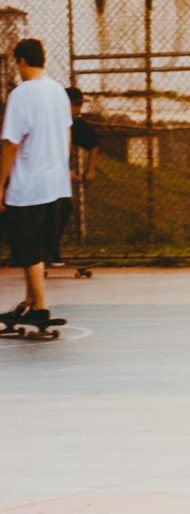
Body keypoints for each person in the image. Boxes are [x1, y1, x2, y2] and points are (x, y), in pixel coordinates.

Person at [0, 37, 71, 333]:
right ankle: (30, 300)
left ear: (22, 61)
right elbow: (67, 133)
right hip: (56, 183)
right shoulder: (58, 91)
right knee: (39, 247)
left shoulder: (21, 94)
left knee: (28, 247)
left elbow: (11, 144)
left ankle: (40, 307)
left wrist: (1, 183)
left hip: (29, 185)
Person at [46, 85, 99, 267]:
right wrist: (65, 172)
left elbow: (93, 143)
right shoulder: (50, 122)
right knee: (51, 208)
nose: (78, 109)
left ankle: (51, 250)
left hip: (54, 174)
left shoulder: (77, 124)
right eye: (74, 104)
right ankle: (45, 251)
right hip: (36, 172)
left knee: (65, 207)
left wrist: (90, 170)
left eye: (80, 104)